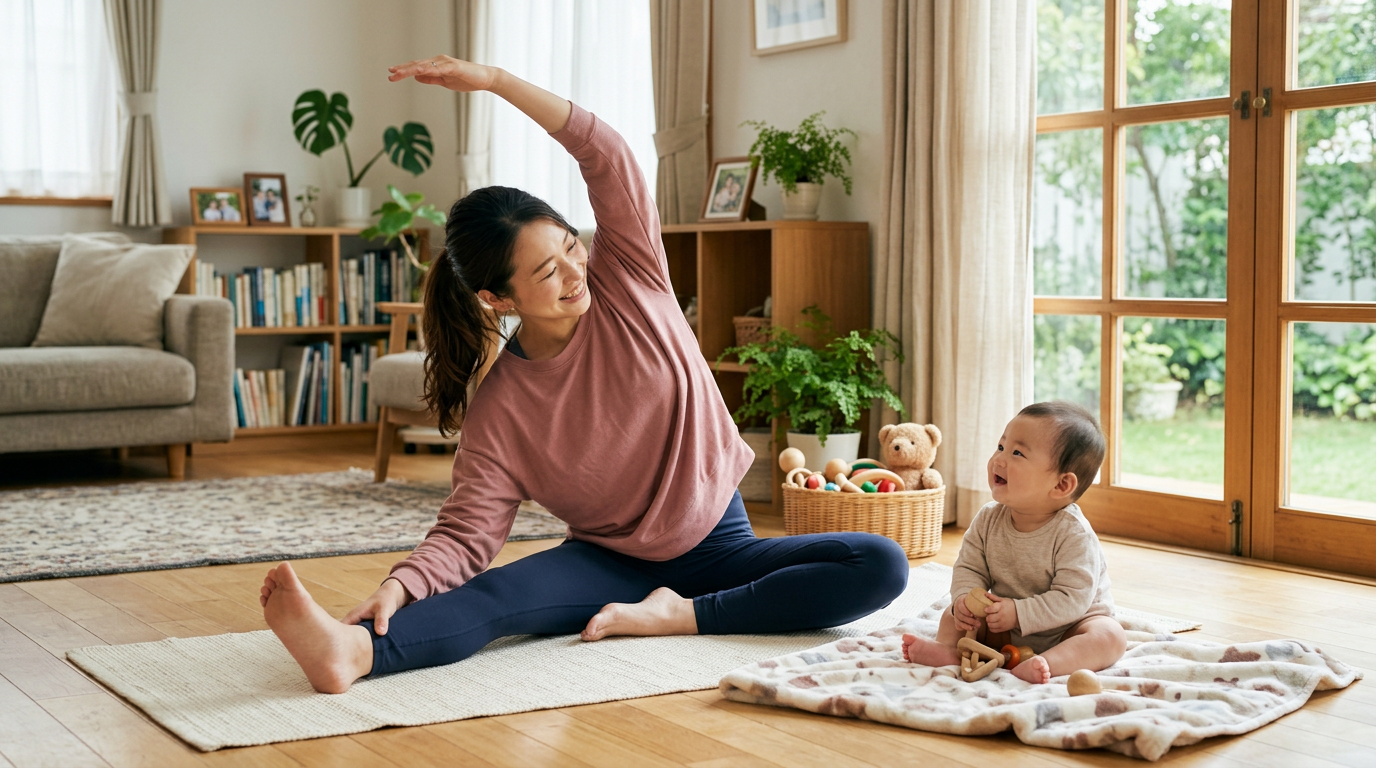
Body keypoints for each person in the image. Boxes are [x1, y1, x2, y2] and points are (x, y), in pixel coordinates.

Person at [258, 55, 910, 694]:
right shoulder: (503, 408)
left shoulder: (630, 277)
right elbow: (466, 533)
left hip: (723, 543)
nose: (576, 274)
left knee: (879, 562)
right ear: (498, 300)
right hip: (606, 564)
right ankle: (349, 653)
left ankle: (681, 618)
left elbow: (610, 157)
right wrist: (401, 585)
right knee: (497, 596)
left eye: (572, 245)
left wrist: (496, 81)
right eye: (547, 271)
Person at [902, 401, 1125, 684]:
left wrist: (1018, 613)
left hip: (1068, 628)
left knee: (1110, 636)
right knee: (952, 614)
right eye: (1000, 447)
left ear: (1060, 486)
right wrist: (964, 600)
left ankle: (1049, 663)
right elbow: (970, 568)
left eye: (1017, 453)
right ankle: (952, 652)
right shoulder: (987, 519)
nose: (999, 459)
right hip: (1002, 625)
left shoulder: (1073, 534)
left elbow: (1072, 600)